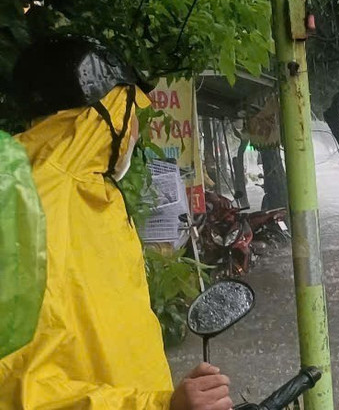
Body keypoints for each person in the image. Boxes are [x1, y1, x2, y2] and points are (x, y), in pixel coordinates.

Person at [0, 37, 232, 409]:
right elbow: (15, 388)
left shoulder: (92, 194)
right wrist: (157, 406)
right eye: (133, 115)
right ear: (108, 113)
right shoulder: (22, 202)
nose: (136, 132)